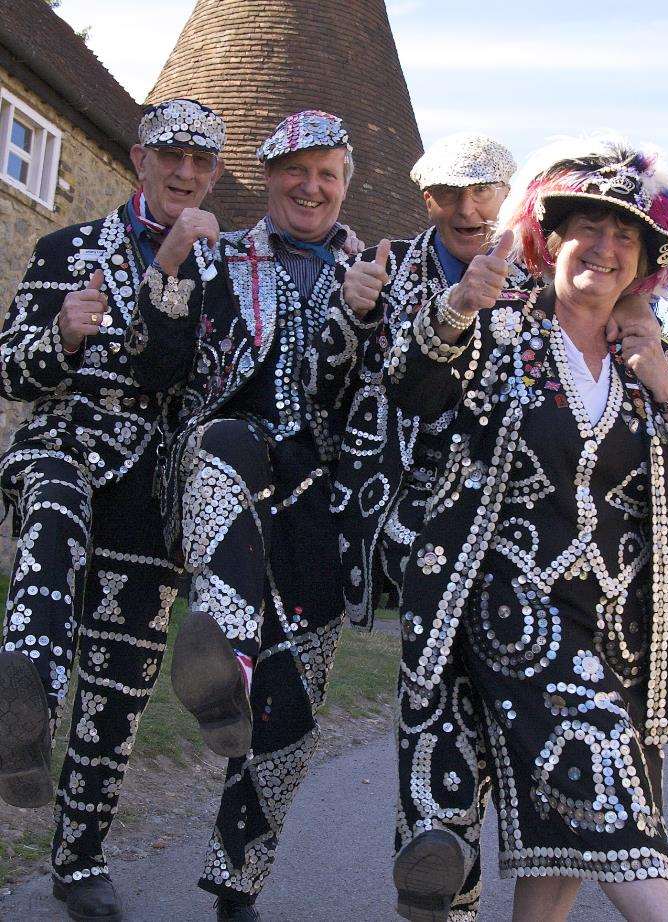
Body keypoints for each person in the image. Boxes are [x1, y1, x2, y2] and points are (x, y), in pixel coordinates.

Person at [383, 135, 668, 921]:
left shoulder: (647, 363)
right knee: (605, 785)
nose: (603, 249)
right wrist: (460, 304)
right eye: (587, 229)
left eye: (625, 236)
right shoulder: (501, 328)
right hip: (510, 608)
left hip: (617, 628)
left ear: (644, 262)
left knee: (565, 830)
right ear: (551, 238)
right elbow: (413, 386)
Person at [126, 110, 360, 922]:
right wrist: (170, 269)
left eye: (326, 173)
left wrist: (369, 316)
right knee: (228, 441)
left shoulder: (374, 271)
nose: (310, 187)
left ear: (344, 184)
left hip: (320, 502)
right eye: (295, 171)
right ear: (267, 180)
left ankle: (238, 883)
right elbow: (158, 365)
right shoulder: (221, 258)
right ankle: (223, 656)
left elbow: (397, 397)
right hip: (235, 464)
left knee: (293, 712)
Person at [0, 98, 227, 922]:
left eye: (202, 164)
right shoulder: (66, 249)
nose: (185, 173)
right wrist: (59, 335)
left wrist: (170, 272)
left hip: (148, 490)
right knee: (53, 514)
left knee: (122, 679)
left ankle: (81, 859)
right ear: (139, 158)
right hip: (66, 447)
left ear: (213, 176)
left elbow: (184, 382)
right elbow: (11, 375)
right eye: (172, 156)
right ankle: (22, 710)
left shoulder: (214, 271)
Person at [307, 132, 519, 922]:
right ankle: (435, 862)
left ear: (505, 191)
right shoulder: (386, 269)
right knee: (433, 679)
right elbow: (327, 392)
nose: (467, 209)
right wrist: (350, 313)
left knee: (503, 695)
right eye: (448, 195)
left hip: (516, 516)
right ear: (424, 199)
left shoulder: (543, 270)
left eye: (483, 190)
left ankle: (455, 848)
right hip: (418, 508)